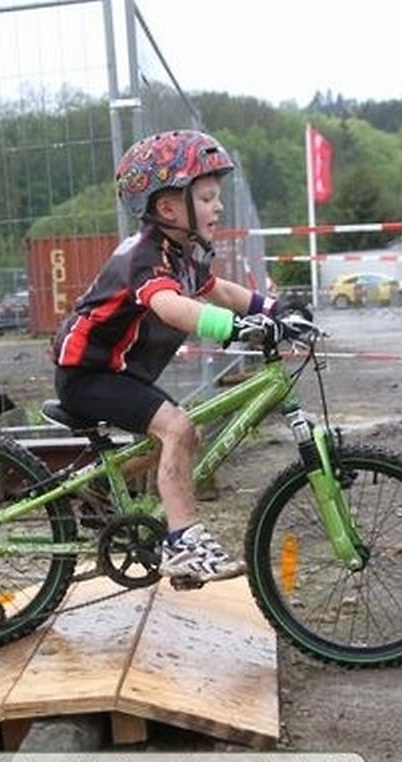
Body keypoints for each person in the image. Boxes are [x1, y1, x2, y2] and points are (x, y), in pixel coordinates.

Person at [51, 129, 288, 585]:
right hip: (87, 374)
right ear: (168, 208)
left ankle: (99, 484)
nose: (219, 207)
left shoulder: (182, 254)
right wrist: (233, 327)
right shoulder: (146, 256)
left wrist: (277, 310)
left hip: (118, 373)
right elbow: (170, 306)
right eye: (207, 197)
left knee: (187, 433)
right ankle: (184, 545)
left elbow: (221, 291)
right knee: (175, 428)